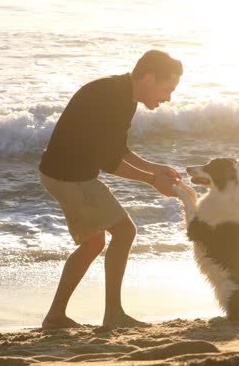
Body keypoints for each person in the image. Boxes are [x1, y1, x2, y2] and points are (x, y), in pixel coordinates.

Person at [38, 50, 183, 329]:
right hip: (69, 176)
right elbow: (107, 161)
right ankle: (113, 314)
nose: (167, 98)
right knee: (125, 231)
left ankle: (55, 316)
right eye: (167, 89)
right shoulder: (110, 98)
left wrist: (155, 168)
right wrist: (153, 182)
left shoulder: (124, 96)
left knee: (94, 242)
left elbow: (118, 149)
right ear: (149, 79)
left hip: (61, 174)